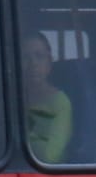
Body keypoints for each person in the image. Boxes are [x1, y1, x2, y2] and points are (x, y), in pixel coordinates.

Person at [22, 32, 72, 163]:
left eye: (39, 56)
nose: (33, 63)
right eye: (25, 57)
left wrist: (18, 130)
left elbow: (49, 155)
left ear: (49, 63)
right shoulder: (10, 101)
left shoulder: (60, 103)